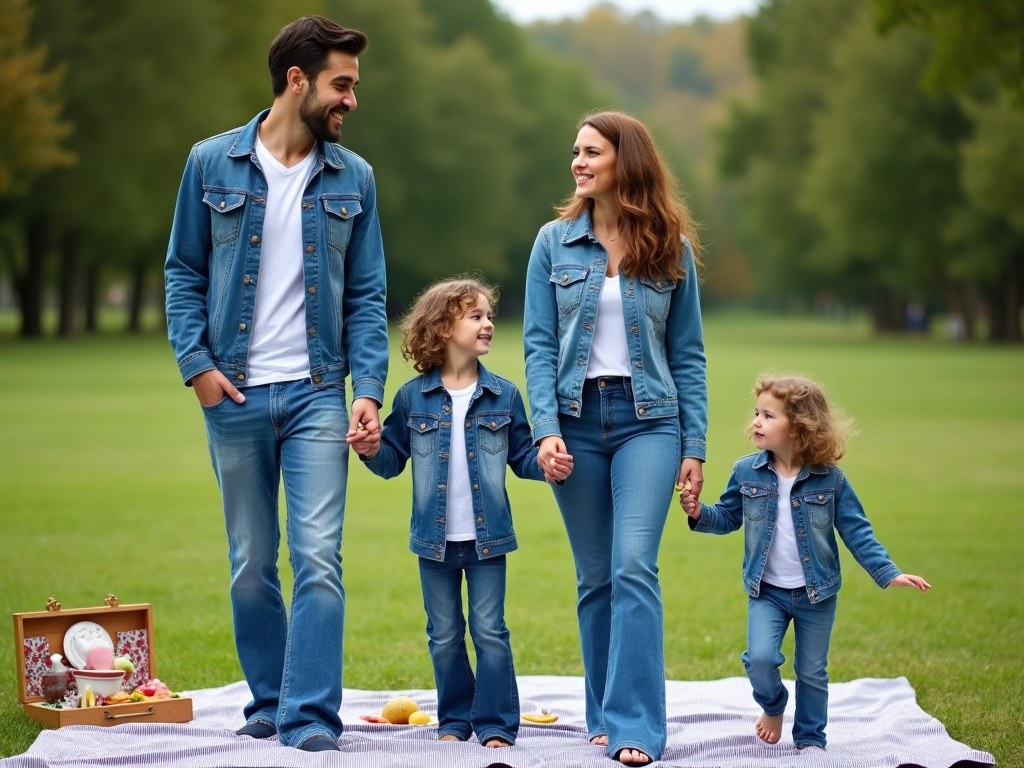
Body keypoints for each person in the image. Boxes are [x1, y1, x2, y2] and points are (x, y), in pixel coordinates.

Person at [164, 16, 388, 752]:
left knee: (319, 556)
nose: (352, 99)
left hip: (320, 392)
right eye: (342, 83)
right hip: (233, 394)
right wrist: (196, 365)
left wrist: (367, 387)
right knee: (253, 561)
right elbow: (183, 272)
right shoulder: (210, 163)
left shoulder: (353, 178)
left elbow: (367, 294)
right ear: (298, 80)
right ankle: (269, 699)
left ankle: (312, 716)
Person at [523, 111, 707, 765]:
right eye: (575, 150)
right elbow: (539, 348)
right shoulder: (552, 243)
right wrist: (544, 432)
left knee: (634, 565)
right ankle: (602, 712)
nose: (577, 161)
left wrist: (694, 446)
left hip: (648, 422)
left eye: (591, 151)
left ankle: (636, 728)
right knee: (596, 575)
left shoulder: (670, 246)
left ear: (624, 161)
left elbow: (688, 355)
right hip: (575, 425)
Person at [353, 277, 569, 747]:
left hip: (488, 538)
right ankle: (454, 720)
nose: (488, 324)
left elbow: (522, 457)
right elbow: (391, 461)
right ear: (443, 326)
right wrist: (370, 450)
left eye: (490, 315)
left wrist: (548, 464)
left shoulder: (504, 396)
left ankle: (494, 724)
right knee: (445, 634)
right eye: (476, 316)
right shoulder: (412, 398)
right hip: (433, 542)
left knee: (490, 631)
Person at [680, 375, 931, 750]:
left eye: (768, 415)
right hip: (767, 591)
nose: (756, 422)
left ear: (798, 428)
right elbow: (729, 517)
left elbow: (857, 532)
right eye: (757, 413)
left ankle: (811, 738)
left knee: (812, 672)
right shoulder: (746, 471)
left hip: (818, 593)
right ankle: (774, 704)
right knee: (760, 659)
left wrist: (888, 572)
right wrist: (700, 513)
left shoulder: (831, 481)